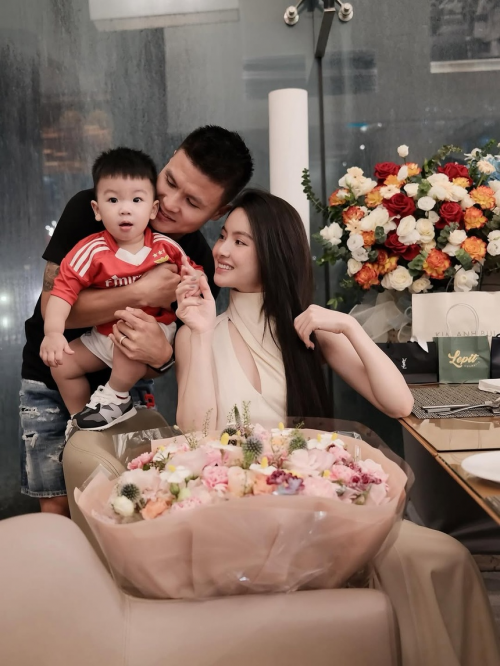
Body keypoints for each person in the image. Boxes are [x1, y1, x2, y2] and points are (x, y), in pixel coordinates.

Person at [173, 190, 500, 666]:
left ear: (274, 253)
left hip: (314, 505)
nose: (221, 249)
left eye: (240, 242)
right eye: (223, 236)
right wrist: (201, 333)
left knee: (444, 557)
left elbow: (399, 403)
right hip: (235, 512)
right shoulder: (197, 332)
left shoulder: (309, 330)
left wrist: (349, 326)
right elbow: (195, 436)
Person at [20, 125, 254, 516]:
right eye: (170, 181)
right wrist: (140, 292)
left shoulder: (197, 261)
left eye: (192, 202)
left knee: (129, 498)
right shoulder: (93, 209)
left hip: (128, 388)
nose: (169, 203)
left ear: (217, 212)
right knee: (58, 501)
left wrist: (162, 355)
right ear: (169, 158)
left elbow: (172, 357)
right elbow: (52, 306)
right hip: (53, 372)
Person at [40, 147, 204, 431]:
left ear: (152, 209)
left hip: (149, 331)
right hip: (104, 334)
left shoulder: (166, 248)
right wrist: (53, 333)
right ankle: (81, 420)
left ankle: (117, 397)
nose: (125, 209)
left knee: (130, 332)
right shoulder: (90, 251)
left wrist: (191, 282)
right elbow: (62, 292)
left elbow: (194, 274)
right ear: (97, 210)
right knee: (62, 363)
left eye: (137, 200)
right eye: (113, 200)